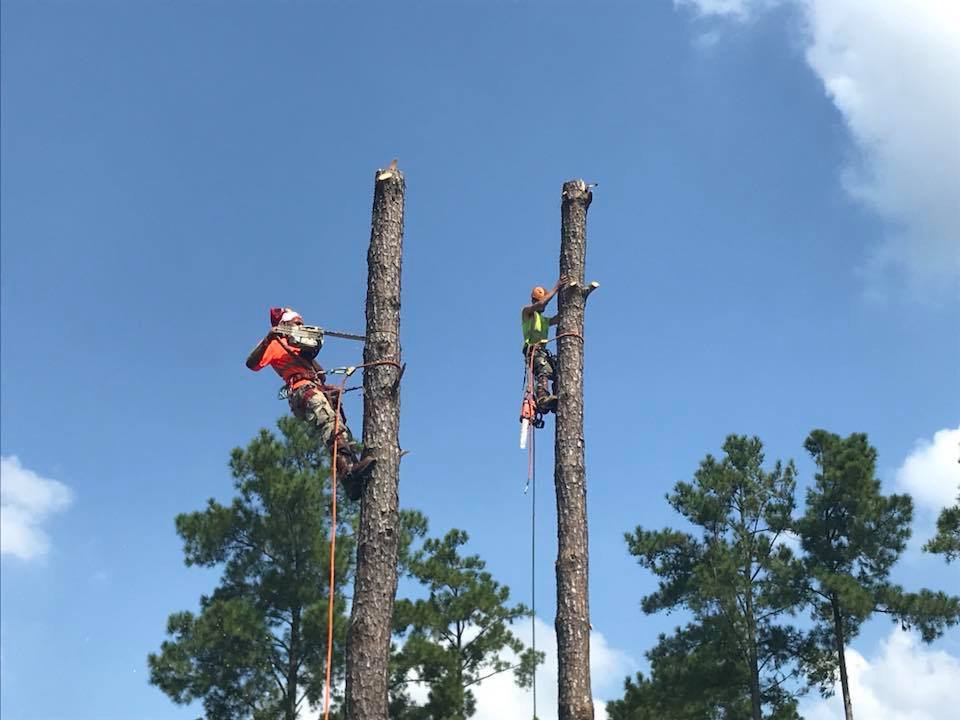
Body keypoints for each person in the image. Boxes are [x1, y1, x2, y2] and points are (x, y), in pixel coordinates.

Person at [246, 307, 374, 500]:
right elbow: (251, 363)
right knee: (329, 423)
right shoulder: (275, 343)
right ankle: (348, 472)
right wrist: (269, 337)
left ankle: (352, 478)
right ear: (285, 325)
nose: (300, 326)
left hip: (311, 387)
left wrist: (312, 363)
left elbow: (319, 373)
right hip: (301, 390)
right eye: (296, 323)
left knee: (338, 425)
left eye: (301, 323)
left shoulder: (299, 348)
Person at [521, 278, 565, 413]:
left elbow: (556, 319)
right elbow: (540, 304)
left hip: (542, 352)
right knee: (543, 369)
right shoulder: (527, 312)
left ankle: (557, 398)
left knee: (558, 370)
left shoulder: (544, 320)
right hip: (533, 351)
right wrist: (556, 289)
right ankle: (542, 398)